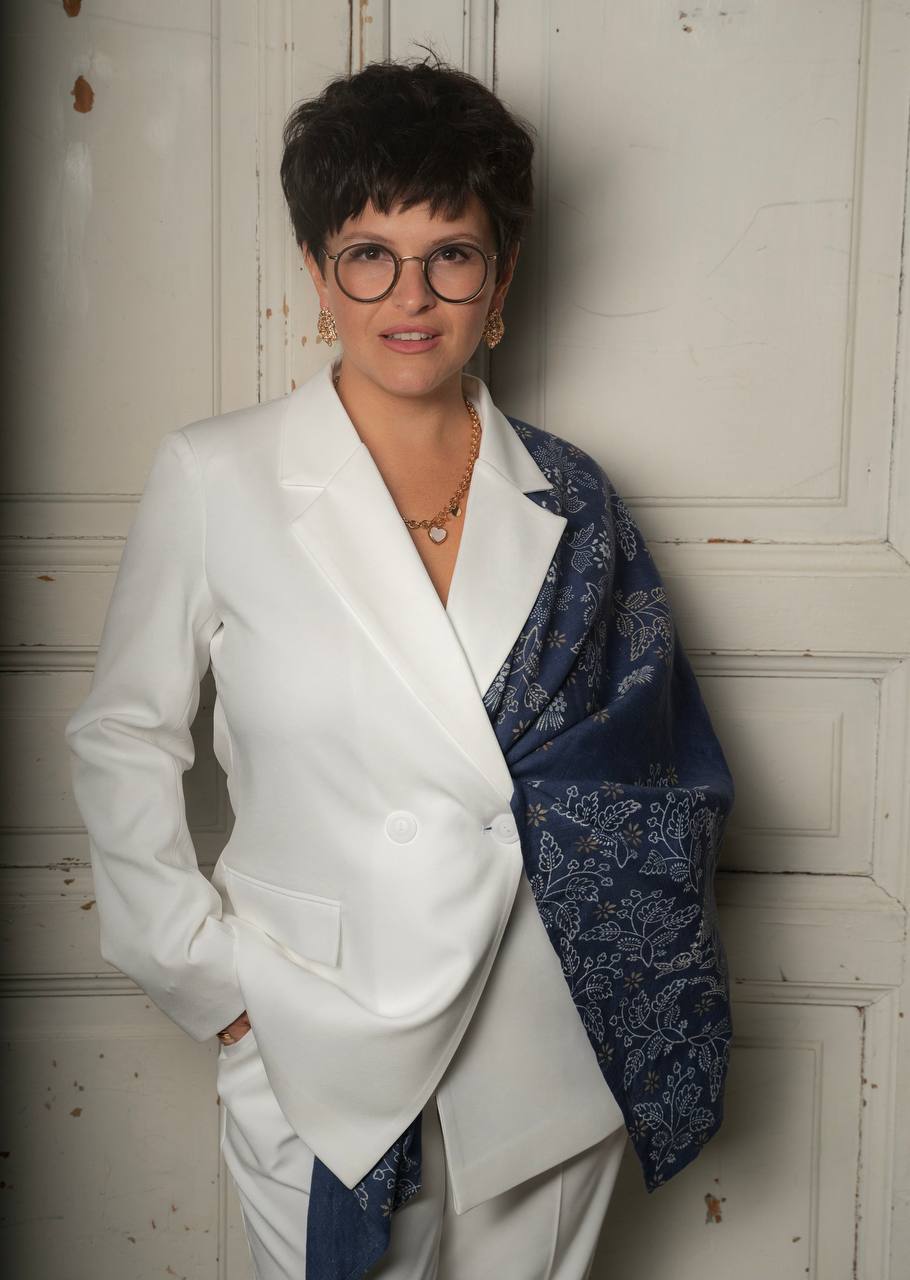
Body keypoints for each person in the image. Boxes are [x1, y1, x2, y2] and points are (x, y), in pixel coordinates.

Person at [65, 52, 734, 1280]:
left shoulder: (572, 496)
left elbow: (651, 773)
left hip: (543, 1045)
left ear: (502, 273)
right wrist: (211, 983)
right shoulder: (216, 476)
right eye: (368, 253)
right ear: (317, 269)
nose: (409, 296)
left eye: (451, 254)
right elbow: (122, 734)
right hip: (316, 1031)